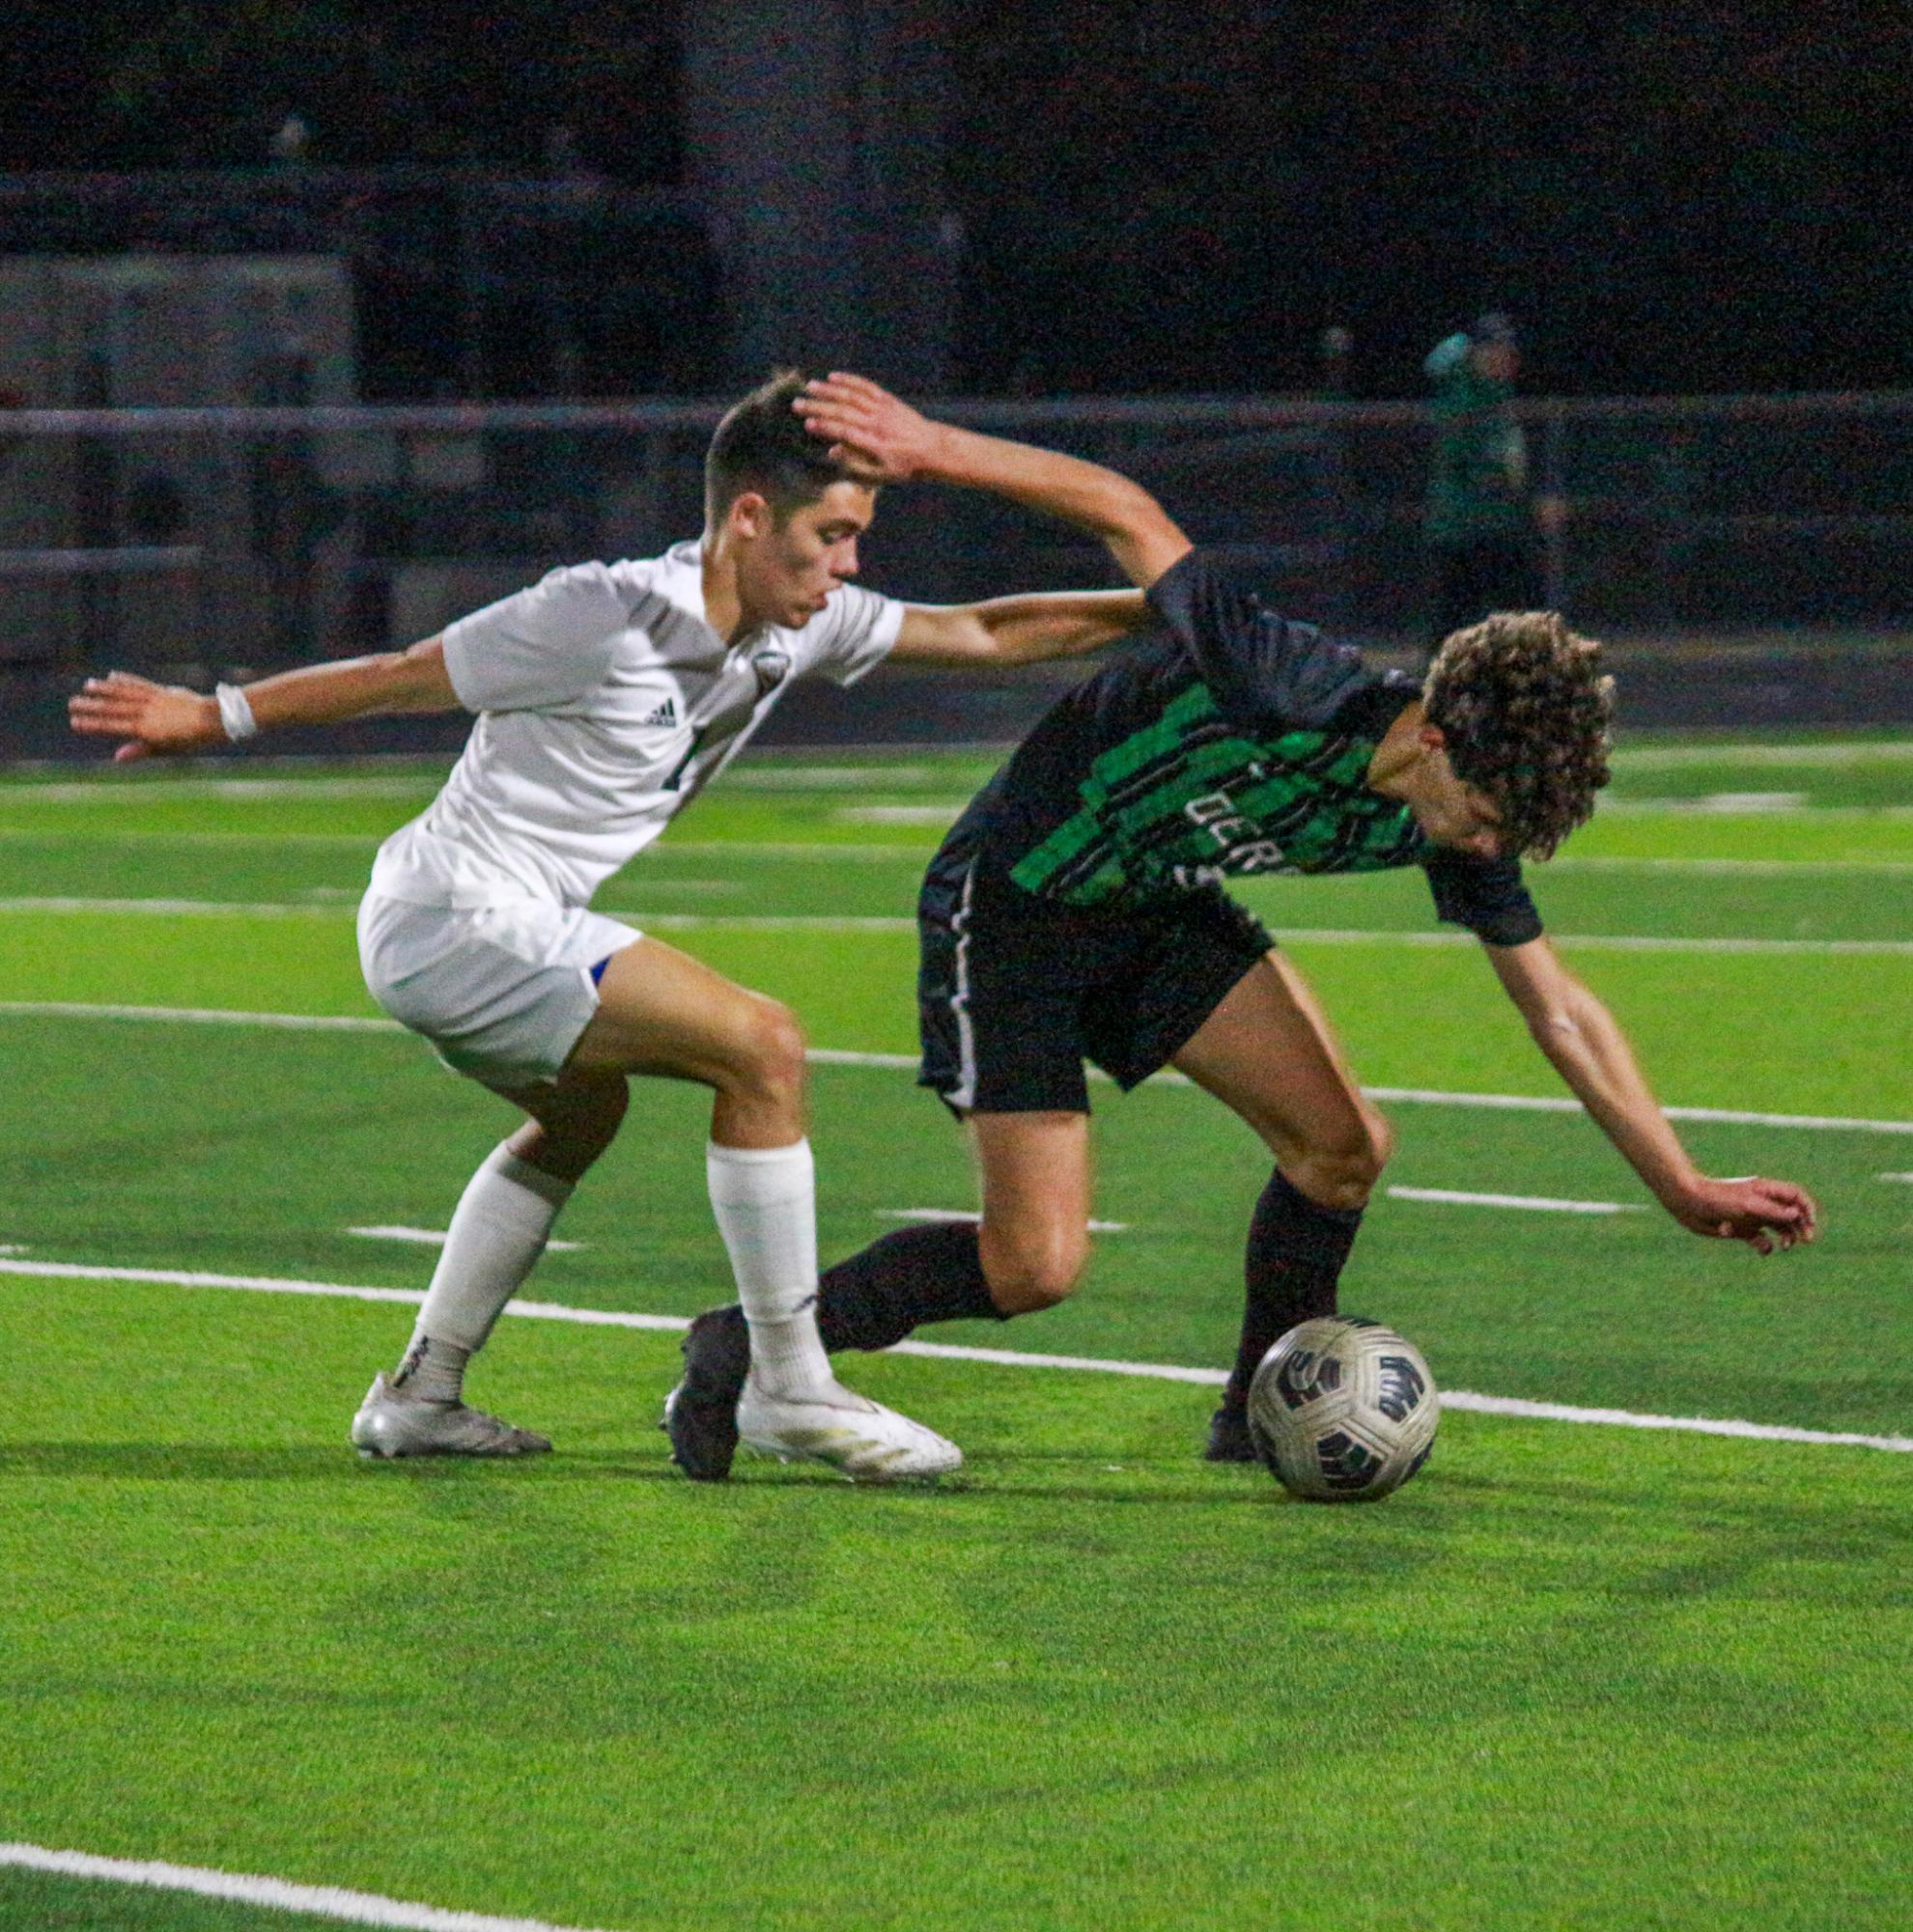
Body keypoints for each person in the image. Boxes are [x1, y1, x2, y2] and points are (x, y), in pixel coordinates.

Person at [662, 372, 1817, 1478]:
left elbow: (1556, 1007)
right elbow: (1124, 511)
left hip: (1151, 904)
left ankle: (1258, 1410)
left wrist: (1679, 1183)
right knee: (1035, 1267)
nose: (1482, 847)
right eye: (1480, 817)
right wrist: (930, 450)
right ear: (1435, 743)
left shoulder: (1454, 823)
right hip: (1015, 902)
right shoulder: (1284, 680)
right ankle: (755, 1344)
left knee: (1341, 1152)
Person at [69, 371, 1151, 1481]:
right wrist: (216, 713)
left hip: (491, 922)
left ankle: (420, 1395)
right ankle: (789, 1383)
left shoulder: (797, 627)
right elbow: (403, 678)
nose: (849, 564)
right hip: (454, 915)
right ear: (746, 518)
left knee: (580, 1118)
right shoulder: (601, 612)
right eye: (830, 534)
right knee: (761, 1046)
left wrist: (1170, 612)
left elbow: (982, 630)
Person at [1423, 313, 1563, 654]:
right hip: (1461, 527)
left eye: (1507, 352)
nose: (1503, 359)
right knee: (1454, 622)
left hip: (1501, 524)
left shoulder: (1499, 395)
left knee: (1522, 613)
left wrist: (1531, 500)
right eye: (1492, 351)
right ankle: (1441, 692)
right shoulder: (1461, 391)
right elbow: (1438, 362)